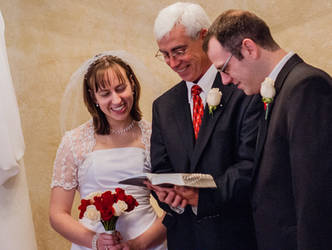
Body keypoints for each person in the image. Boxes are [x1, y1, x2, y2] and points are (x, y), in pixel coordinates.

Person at [204, 10, 332, 250]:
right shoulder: (278, 89)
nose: (225, 81)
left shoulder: (306, 87)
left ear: (249, 48)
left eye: (224, 68)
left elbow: (316, 198)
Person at [147, 2, 262, 249]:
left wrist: (202, 197)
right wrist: (170, 197)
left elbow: (250, 164)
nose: (172, 63)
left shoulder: (244, 89)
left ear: (204, 37)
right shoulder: (163, 106)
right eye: (164, 54)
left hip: (237, 236)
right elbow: (161, 168)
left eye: (178, 51)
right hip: (185, 239)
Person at [50, 52, 167, 250]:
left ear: (132, 84)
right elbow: (57, 213)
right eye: (105, 94)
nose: (117, 100)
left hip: (147, 242)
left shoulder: (154, 136)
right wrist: (95, 241)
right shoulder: (74, 141)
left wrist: (138, 244)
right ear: (93, 97)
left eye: (121, 88)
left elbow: (174, 206)